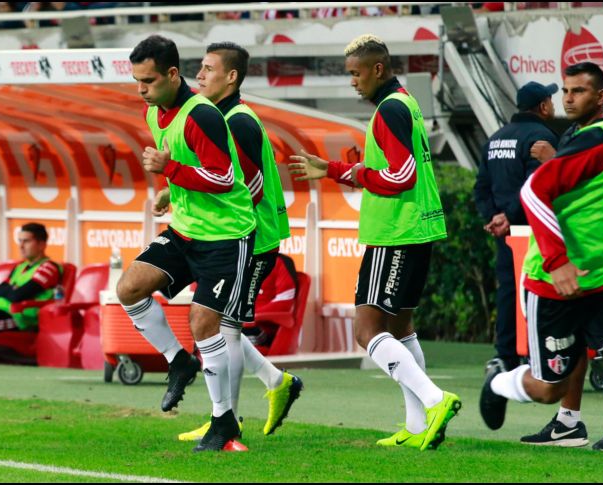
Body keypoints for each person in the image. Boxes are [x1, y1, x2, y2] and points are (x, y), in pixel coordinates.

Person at [480, 59, 603, 483]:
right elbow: (534, 190)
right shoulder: (600, 142)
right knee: (548, 388)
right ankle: (501, 383)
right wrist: (557, 260)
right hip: (554, 284)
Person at [288, 34, 461, 451]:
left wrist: (355, 174)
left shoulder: (389, 110)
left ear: (377, 69)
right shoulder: (406, 102)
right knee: (401, 328)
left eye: (356, 73)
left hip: (395, 233)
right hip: (415, 230)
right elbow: (388, 167)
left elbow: (402, 177)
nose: (353, 82)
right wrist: (332, 169)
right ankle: (418, 425)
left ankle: (437, 401)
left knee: (367, 332)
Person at [118, 35, 256, 453]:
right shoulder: (155, 113)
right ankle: (179, 361)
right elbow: (190, 172)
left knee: (204, 324)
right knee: (129, 288)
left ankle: (222, 424)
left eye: (148, 80)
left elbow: (223, 178)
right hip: (187, 229)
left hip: (226, 235)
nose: (141, 89)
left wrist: (170, 169)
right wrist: (170, 192)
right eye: (137, 80)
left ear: (173, 74)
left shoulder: (203, 115)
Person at [172, 41, 302, 442]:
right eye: (200, 68)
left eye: (209, 69)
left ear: (231, 77)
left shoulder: (239, 121)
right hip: (233, 237)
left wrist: (233, 235)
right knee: (222, 325)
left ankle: (225, 420)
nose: (200, 75)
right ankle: (271, 384)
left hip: (252, 239)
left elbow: (251, 187)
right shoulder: (218, 116)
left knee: (224, 328)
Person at [520, 62, 603, 448]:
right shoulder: (579, 132)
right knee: (572, 352)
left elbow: (594, 189)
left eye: (579, 91)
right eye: (566, 91)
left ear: (602, 96)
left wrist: (551, 160)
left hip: (600, 262)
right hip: (573, 262)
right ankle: (569, 422)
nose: (569, 98)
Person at [473, 80, 559, 372]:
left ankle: (505, 356)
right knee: (540, 292)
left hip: (505, 234)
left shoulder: (495, 138)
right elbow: (538, 186)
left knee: (507, 291)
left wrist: (494, 218)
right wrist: (510, 217)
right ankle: (539, 355)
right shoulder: (543, 137)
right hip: (535, 233)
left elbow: (481, 188)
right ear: (543, 106)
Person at [0, 223, 61, 339]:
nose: (21, 246)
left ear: (41, 245)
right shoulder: (20, 267)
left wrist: (11, 290)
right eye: (20, 241)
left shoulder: (49, 268)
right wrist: (12, 291)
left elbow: (19, 295)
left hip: (19, 318)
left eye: (26, 241)